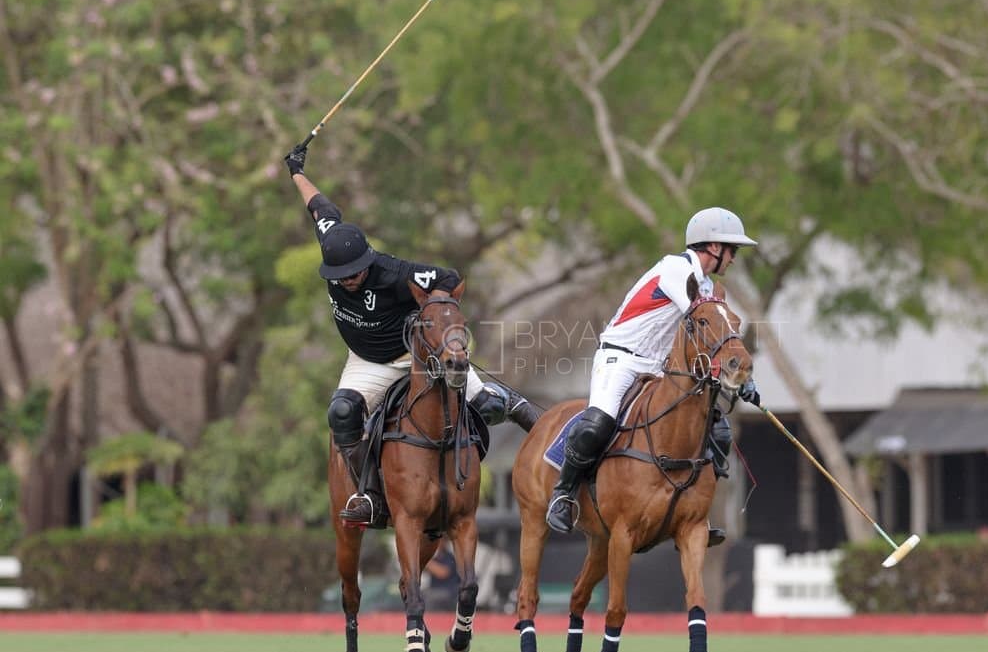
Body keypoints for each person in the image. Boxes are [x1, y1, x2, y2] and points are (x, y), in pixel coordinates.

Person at [284, 143, 538, 527]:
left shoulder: (394, 272)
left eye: (354, 273)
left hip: (419, 356)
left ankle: (514, 404)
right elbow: (320, 207)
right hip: (368, 361)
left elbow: (448, 278)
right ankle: (368, 494)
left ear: (366, 261)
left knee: (485, 405)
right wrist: (296, 171)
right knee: (341, 413)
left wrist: (430, 318)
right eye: (341, 277)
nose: (348, 281)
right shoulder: (334, 244)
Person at [545, 207, 761, 544]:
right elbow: (702, 324)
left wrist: (744, 379)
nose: (734, 258)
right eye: (732, 250)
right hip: (620, 358)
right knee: (598, 424)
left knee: (715, 427)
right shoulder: (676, 270)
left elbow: (712, 342)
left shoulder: (706, 284)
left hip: (660, 367)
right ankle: (563, 494)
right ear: (714, 247)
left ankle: (695, 512)